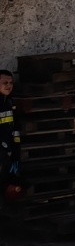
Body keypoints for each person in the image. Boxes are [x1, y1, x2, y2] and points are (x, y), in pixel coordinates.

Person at [0, 69, 20, 219]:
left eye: (11, 83)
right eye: (4, 83)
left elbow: (14, 131)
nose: (8, 86)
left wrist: (15, 154)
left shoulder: (10, 103)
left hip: (7, 158)